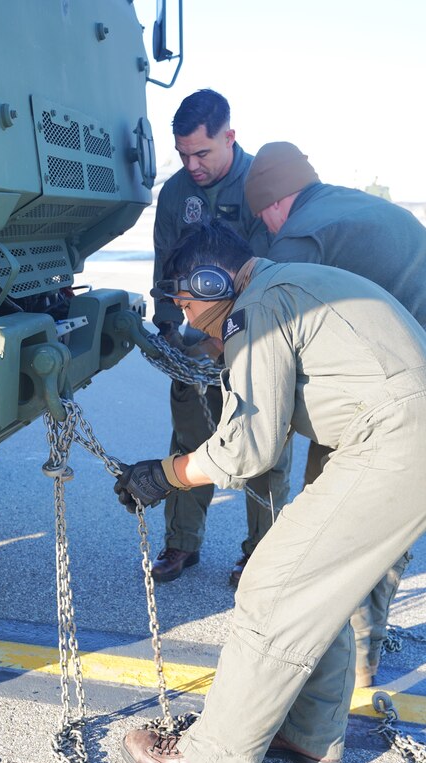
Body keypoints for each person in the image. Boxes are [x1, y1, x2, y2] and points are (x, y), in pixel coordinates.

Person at [114, 220, 426, 763]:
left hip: (392, 442)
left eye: (186, 302)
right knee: (320, 587)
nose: (185, 319)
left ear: (212, 282)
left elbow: (248, 448)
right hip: (397, 437)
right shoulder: (286, 286)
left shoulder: (255, 308)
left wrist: (166, 473)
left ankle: (210, 761)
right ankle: (307, 733)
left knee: (275, 585)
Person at [239, 141, 426, 686]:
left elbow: (278, 324)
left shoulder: (300, 235)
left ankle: (350, 656)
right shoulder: (355, 207)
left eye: (262, 217)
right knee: (393, 518)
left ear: (273, 203)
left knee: (339, 518)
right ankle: (363, 641)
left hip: (393, 392)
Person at [150, 89, 286, 584]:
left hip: (258, 334)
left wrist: (227, 340)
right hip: (195, 332)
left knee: (263, 446)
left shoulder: (259, 186)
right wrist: (166, 330)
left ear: (230, 136)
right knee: (190, 436)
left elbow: (273, 271)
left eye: (202, 153)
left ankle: (260, 555)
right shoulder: (175, 193)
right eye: (184, 154)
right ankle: (181, 544)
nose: (193, 164)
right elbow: (166, 263)